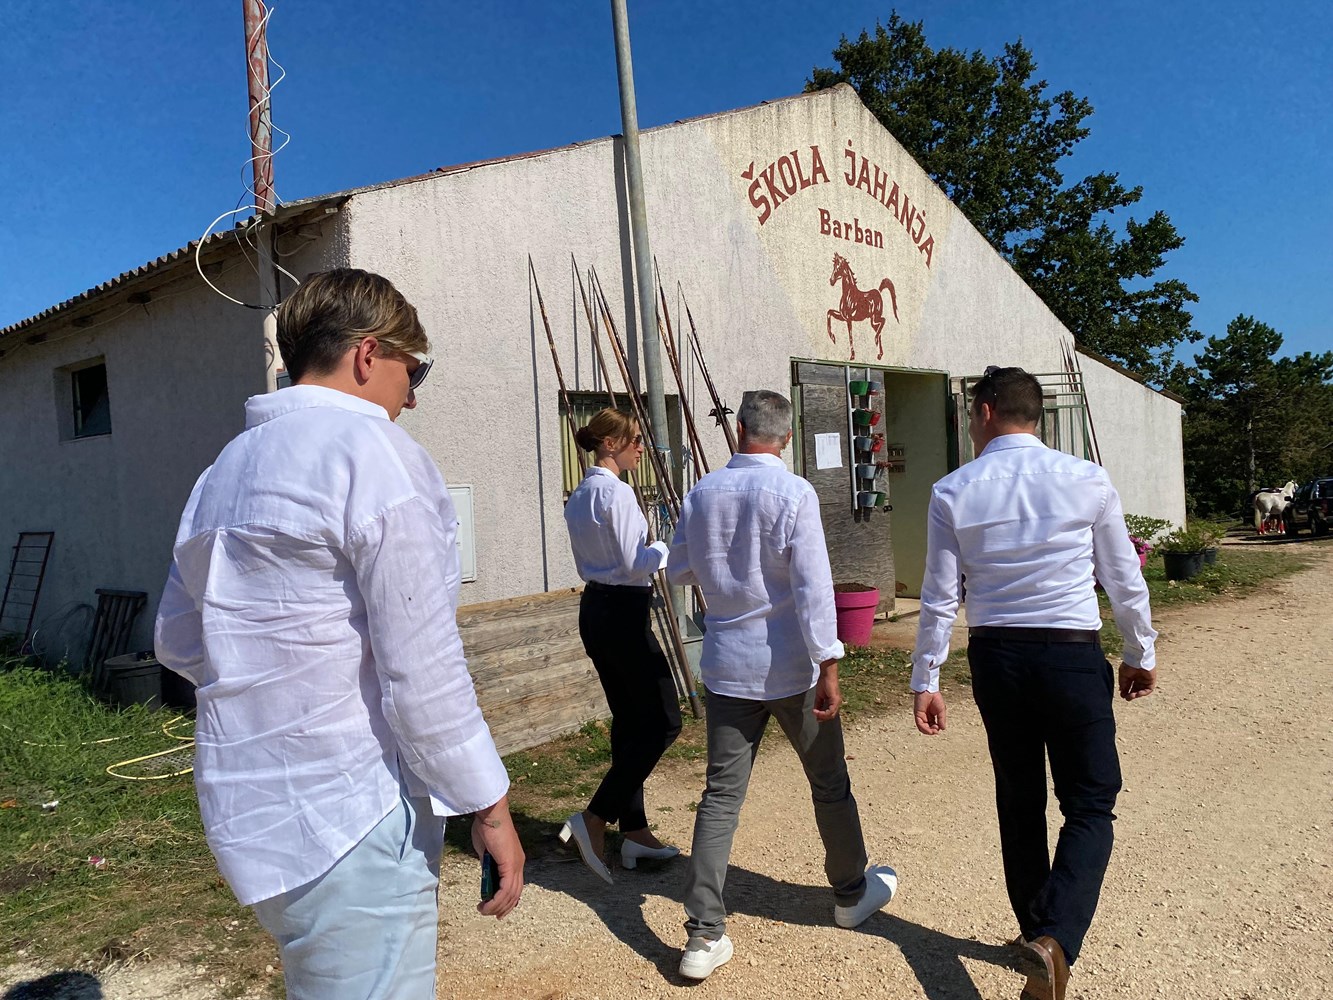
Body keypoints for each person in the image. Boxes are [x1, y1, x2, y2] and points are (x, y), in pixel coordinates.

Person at [154, 268, 524, 1000]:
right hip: (353, 807)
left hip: (248, 809)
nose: (412, 397)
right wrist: (488, 806)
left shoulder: (221, 471)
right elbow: (421, 668)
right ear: (367, 353)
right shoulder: (374, 454)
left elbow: (179, 640)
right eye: (413, 371)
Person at [910, 366, 1158, 1000]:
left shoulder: (952, 490)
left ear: (986, 411)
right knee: (1090, 801)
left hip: (998, 657)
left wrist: (926, 677)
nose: (971, 426)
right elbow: (1122, 576)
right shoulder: (1087, 479)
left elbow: (940, 596)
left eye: (971, 416)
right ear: (1035, 415)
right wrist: (1139, 651)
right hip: (1071, 654)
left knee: (1019, 798)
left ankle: (1036, 937)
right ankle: (1054, 941)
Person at [666, 389, 897, 981]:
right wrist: (829, 663)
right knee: (829, 782)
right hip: (792, 666)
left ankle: (703, 933)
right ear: (788, 437)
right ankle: (849, 893)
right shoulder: (794, 493)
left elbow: (680, 568)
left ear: (739, 429)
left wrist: (724, 568)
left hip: (727, 666)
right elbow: (814, 586)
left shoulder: (703, 492)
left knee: (721, 796)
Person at [559, 408, 683, 883]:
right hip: (625, 612)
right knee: (663, 720)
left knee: (630, 721)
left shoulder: (579, 495)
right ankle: (595, 817)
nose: (641, 448)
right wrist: (668, 546)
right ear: (610, 444)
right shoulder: (619, 493)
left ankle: (634, 831)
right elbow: (636, 563)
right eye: (635, 440)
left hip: (596, 609)